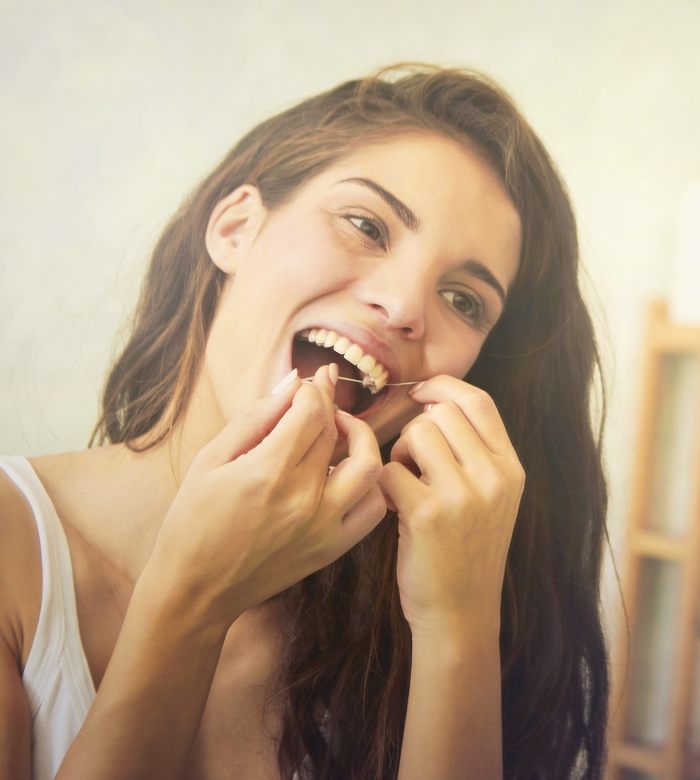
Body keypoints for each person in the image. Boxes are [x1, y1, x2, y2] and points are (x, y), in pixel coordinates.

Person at [0, 63, 609, 779]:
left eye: (464, 300)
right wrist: (193, 601)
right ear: (234, 229)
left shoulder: (422, 615)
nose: (406, 306)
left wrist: (457, 628)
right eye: (367, 225)